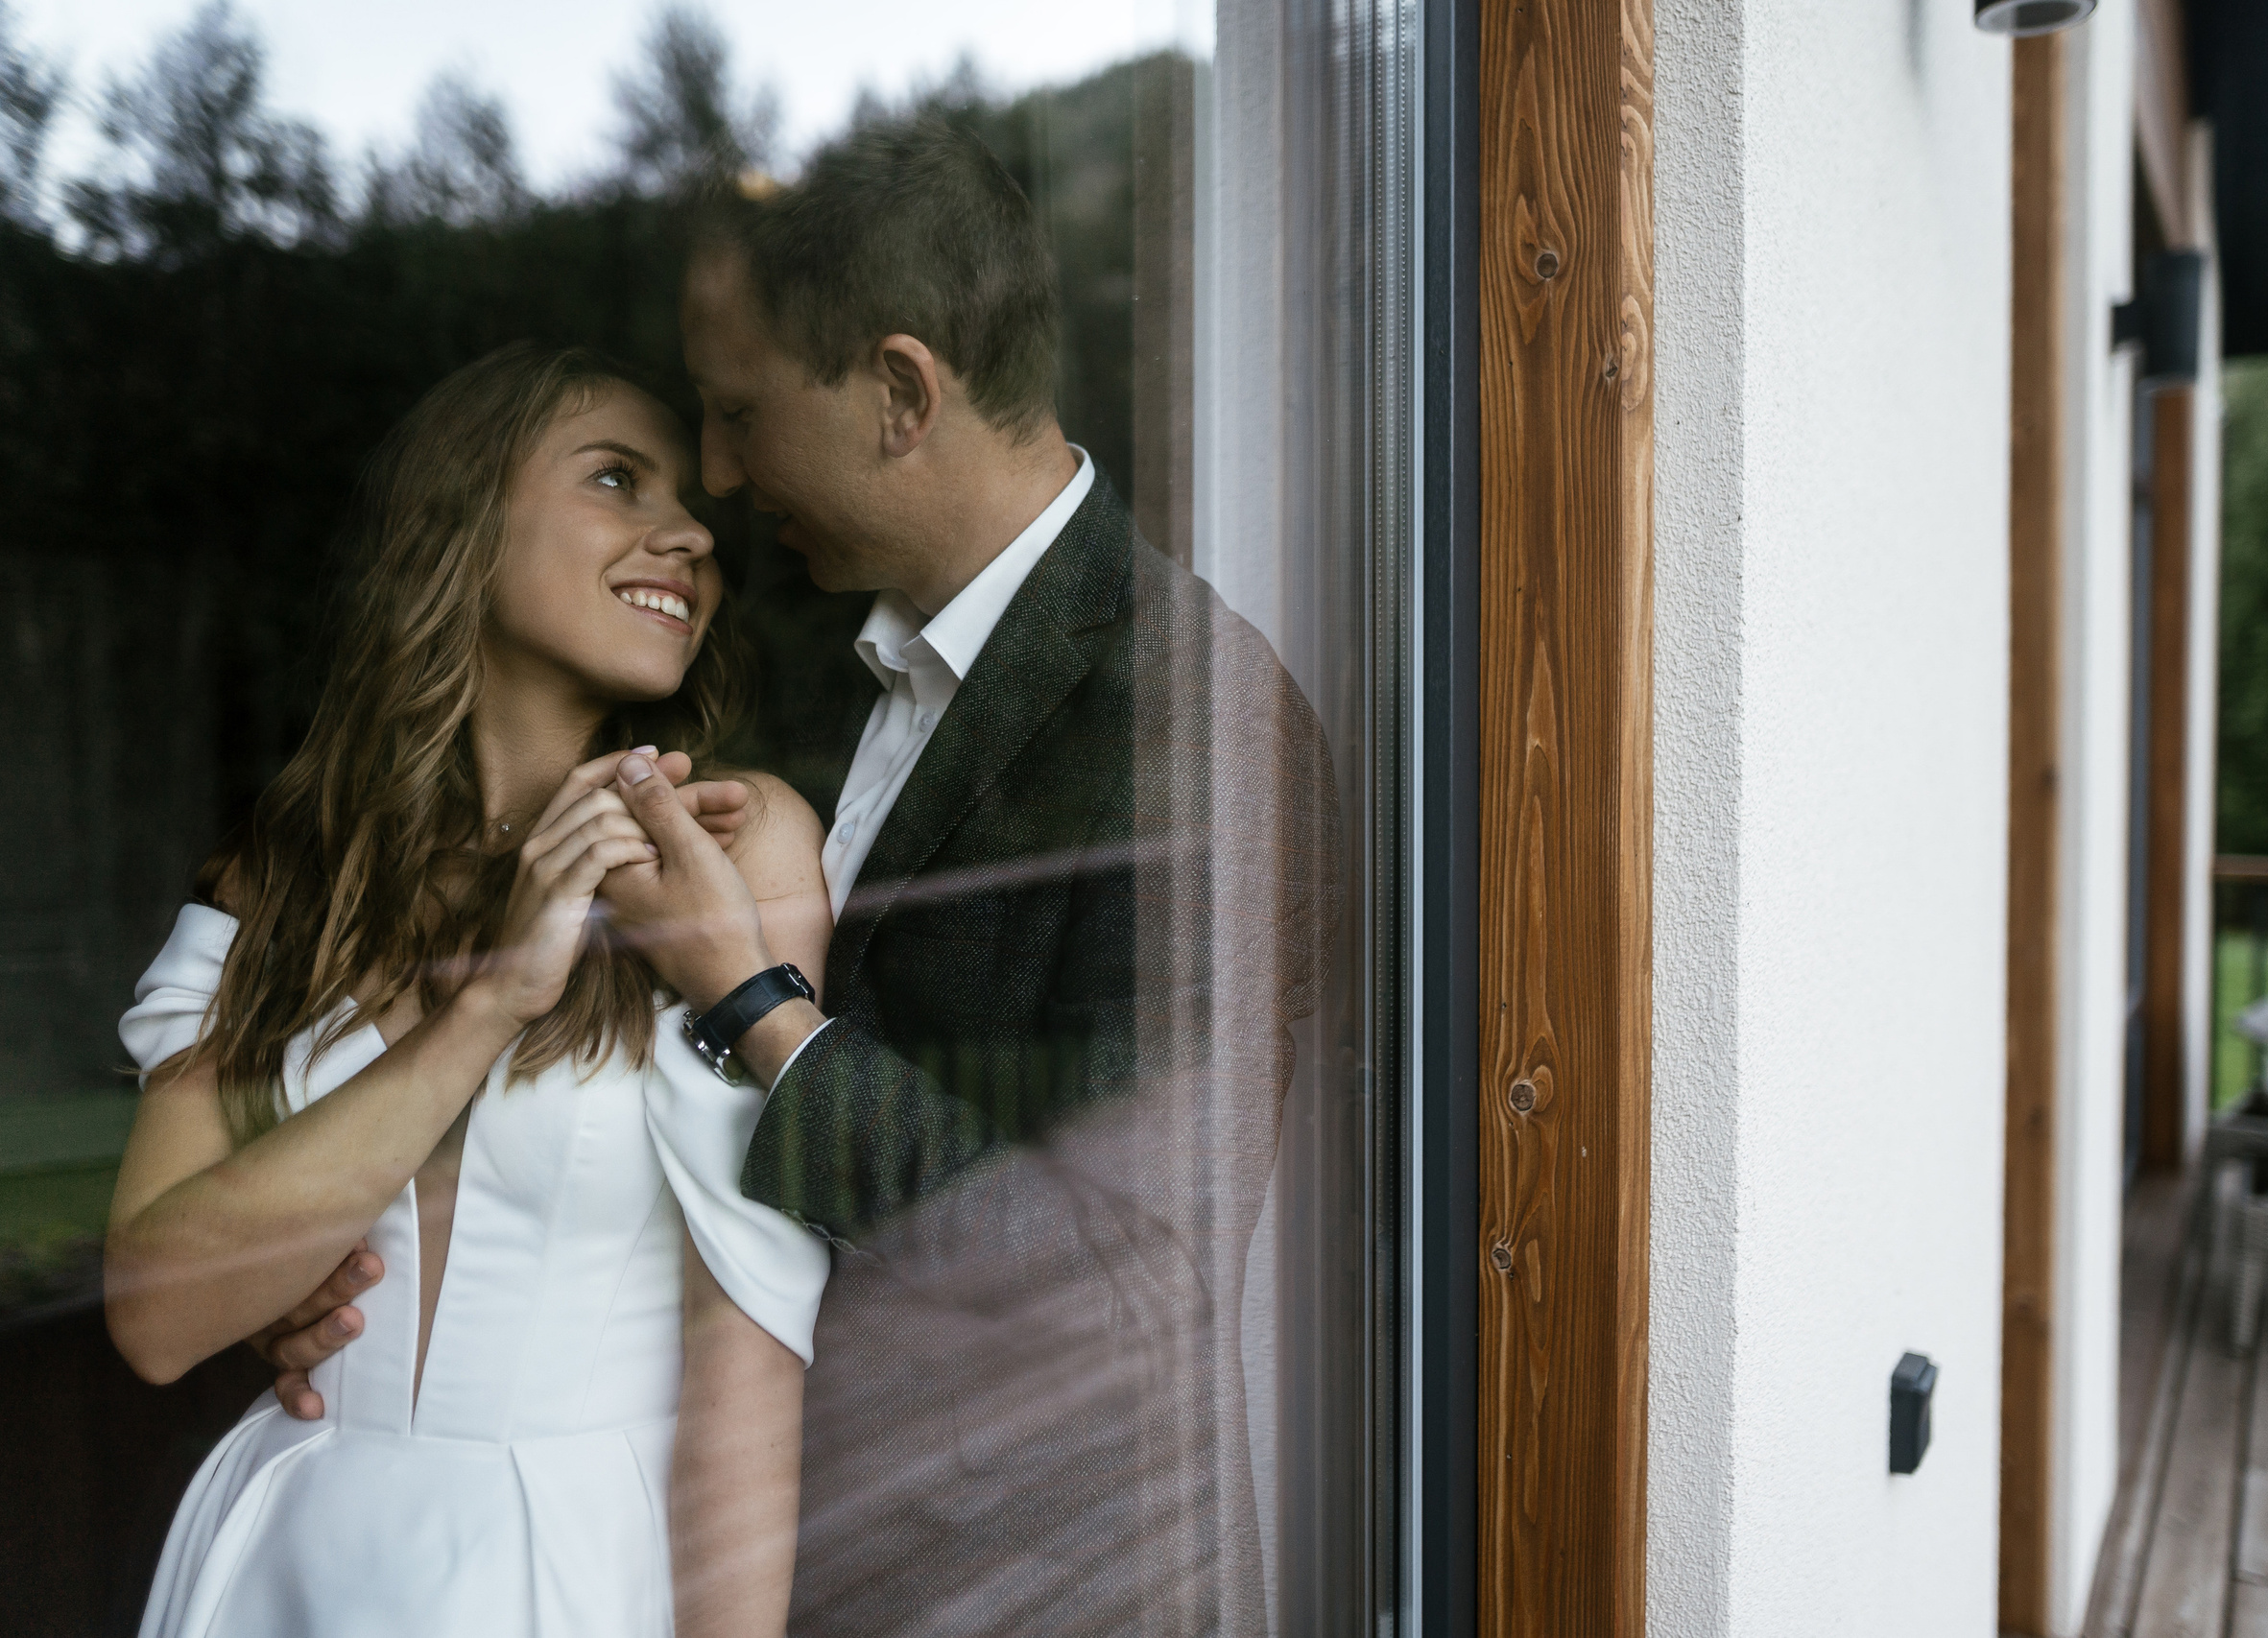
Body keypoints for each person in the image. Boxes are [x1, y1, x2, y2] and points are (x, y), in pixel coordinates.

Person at [264, 117, 1344, 1634]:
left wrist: (761, 1008)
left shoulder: (1196, 726)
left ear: (902, 392)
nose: (712, 477)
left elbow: (1128, 1293)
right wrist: (359, 1305)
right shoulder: (841, 680)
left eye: (734, 412)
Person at [105, 342, 832, 1638]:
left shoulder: (731, 850)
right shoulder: (280, 880)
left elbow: (751, 1349)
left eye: (697, 517)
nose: (687, 539)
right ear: (458, 526)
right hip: (290, 1558)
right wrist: (490, 1002)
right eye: (619, 479)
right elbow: (159, 1316)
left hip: (582, 1566)